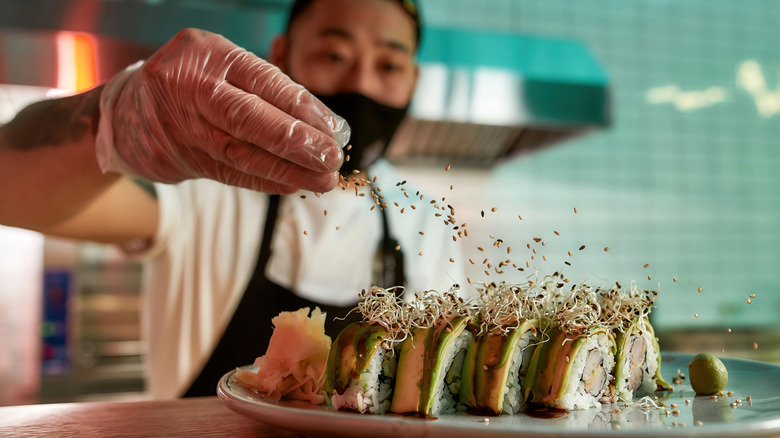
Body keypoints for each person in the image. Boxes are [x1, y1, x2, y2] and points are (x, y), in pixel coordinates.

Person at [0, 0, 465, 399]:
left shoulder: (427, 222)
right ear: (281, 56)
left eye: (388, 65)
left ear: (413, 79)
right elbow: (11, 196)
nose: (360, 84)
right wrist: (108, 122)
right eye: (334, 54)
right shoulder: (208, 178)